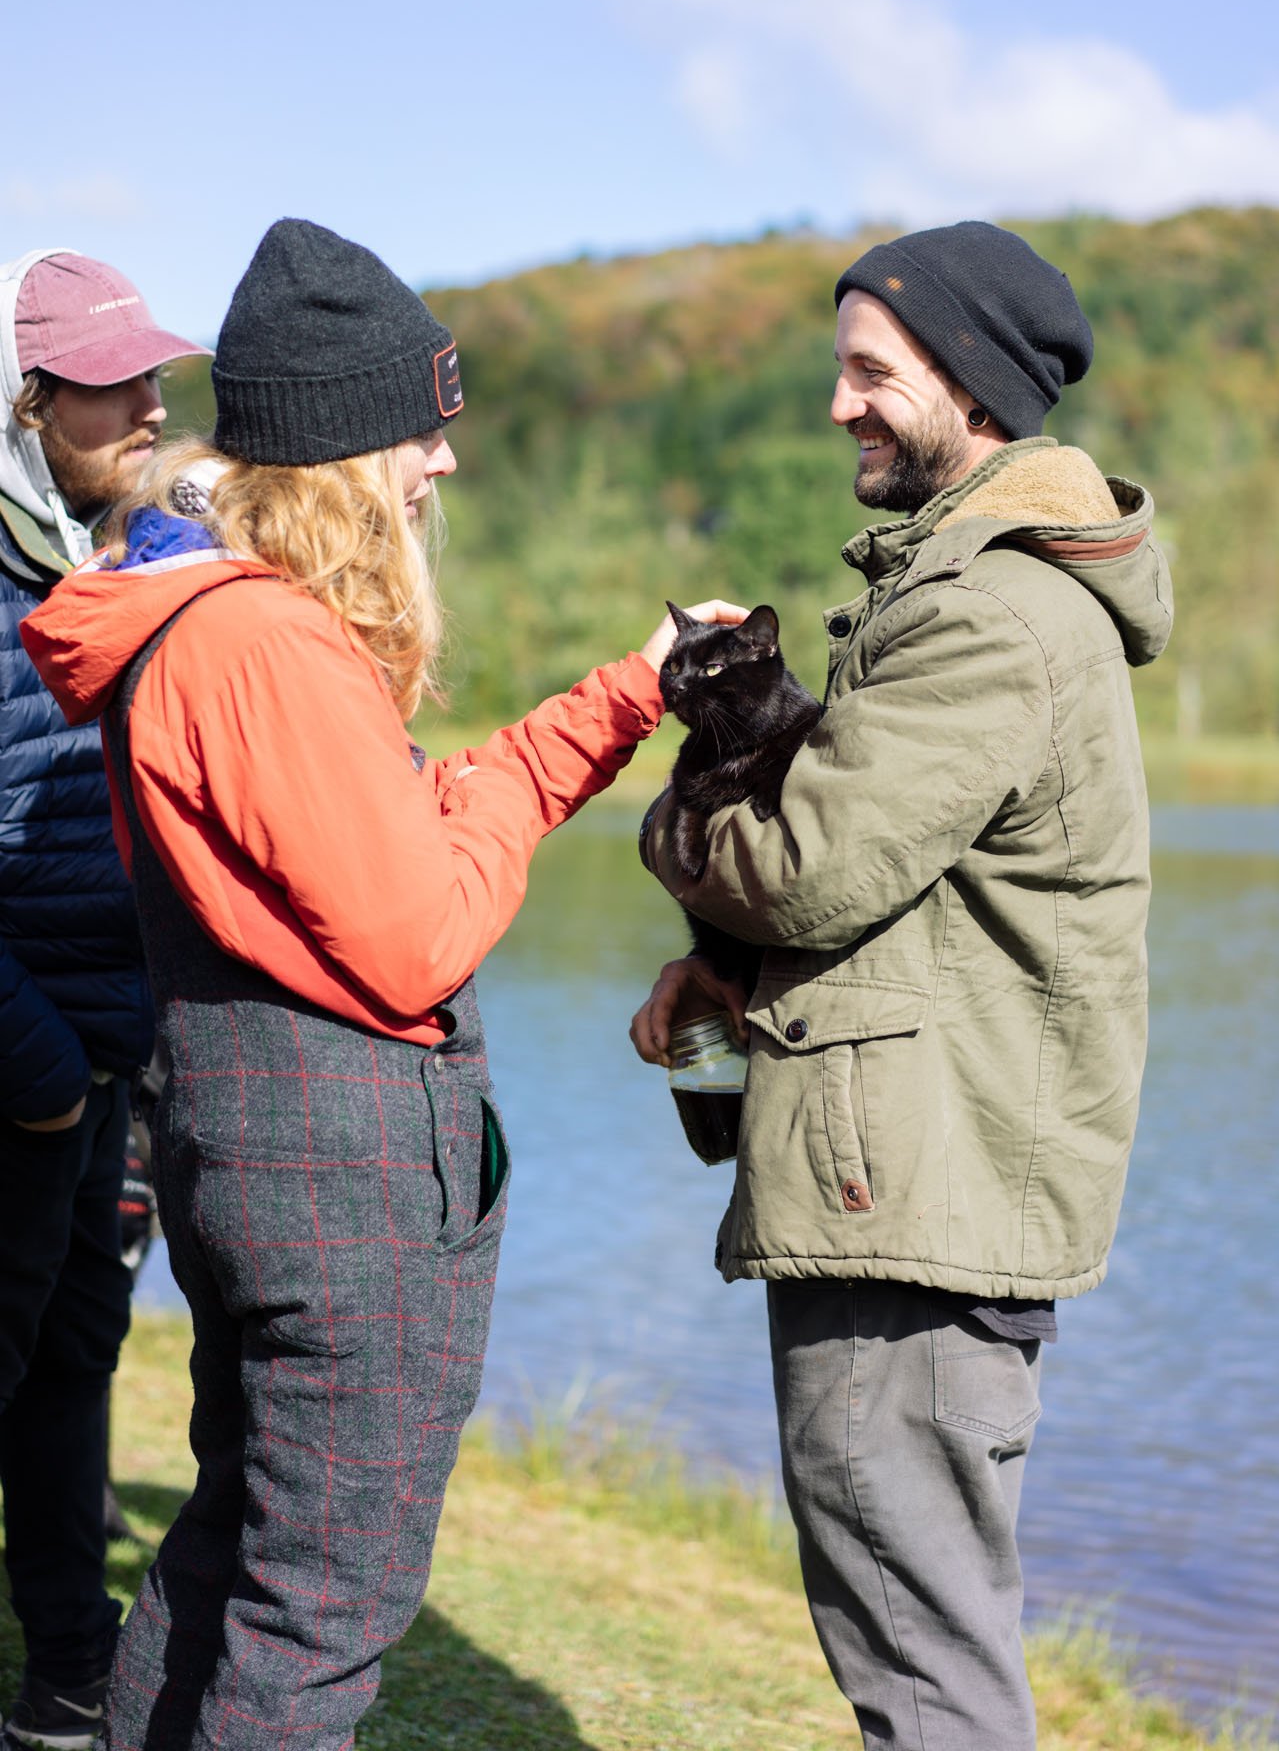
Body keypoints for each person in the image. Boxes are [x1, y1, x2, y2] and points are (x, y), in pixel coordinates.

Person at [23, 217, 740, 1751]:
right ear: (349, 447)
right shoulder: (265, 647)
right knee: (318, 1621)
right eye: (427, 429)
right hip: (340, 1184)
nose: (445, 464)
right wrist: (492, 820)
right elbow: (420, 933)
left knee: (232, 1560)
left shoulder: (232, 628)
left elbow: (405, 824)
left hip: (264, 1151)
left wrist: (624, 695)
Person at [631, 222, 1173, 1751]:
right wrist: (724, 968)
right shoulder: (966, 591)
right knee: (918, 1628)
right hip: (920, 1186)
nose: (840, 404)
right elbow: (879, 884)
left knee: (923, 1665)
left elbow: (804, 863)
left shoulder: (991, 611)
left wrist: (678, 827)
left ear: (973, 386)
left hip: (922, 1211)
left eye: (871, 371)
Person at [0, 250, 206, 1751]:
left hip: (108, 1054)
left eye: (153, 375)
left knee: (73, 1369)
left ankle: (66, 1677)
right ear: (33, 395)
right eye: (111, 382)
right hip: (26, 1060)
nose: (147, 402)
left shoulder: (131, 547)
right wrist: (43, 1068)